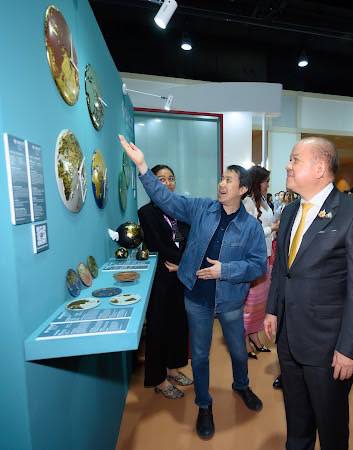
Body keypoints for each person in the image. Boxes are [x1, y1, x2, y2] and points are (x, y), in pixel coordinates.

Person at [118, 135, 267, 441]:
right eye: (221, 178)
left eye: (228, 180)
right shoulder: (201, 208)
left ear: (242, 189)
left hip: (230, 300)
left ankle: (241, 385)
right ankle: (204, 404)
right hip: (197, 297)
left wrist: (225, 270)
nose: (221, 184)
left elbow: (258, 266)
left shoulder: (251, 227)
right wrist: (143, 167)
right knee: (199, 355)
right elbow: (166, 200)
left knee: (238, 351)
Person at [264, 137, 353, 450]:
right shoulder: (291, 211)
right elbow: (282, 269)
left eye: (294, 159)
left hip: (328, 346)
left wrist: (350, 349)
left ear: (319, 168)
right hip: (289, 337)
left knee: (331, 426)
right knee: (297, 419)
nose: (287, 165)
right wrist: (273, 309)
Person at [138, 165, 192, 399]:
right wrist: (185, 261)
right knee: (159, 327)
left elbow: (191, 240)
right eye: (161, 179)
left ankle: (173, 368)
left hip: (182, 275)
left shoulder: (182, 208)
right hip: (161, 277)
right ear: (152, 183)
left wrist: (186, 264)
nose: (168, 183)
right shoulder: (146, 213)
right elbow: (157, 245)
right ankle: (159, 379)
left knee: (179, 325)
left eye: (171, 178)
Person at [242, 166, 279, 359]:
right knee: (250, 302)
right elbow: (249, 234)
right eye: (266, 182)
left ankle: (255, 336)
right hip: (253, 257)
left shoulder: (263, 201)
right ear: (257, 182)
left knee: (260, 302)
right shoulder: (247, 203)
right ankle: (244, 340)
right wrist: (272, 228)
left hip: (266, 254)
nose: (268, 185)